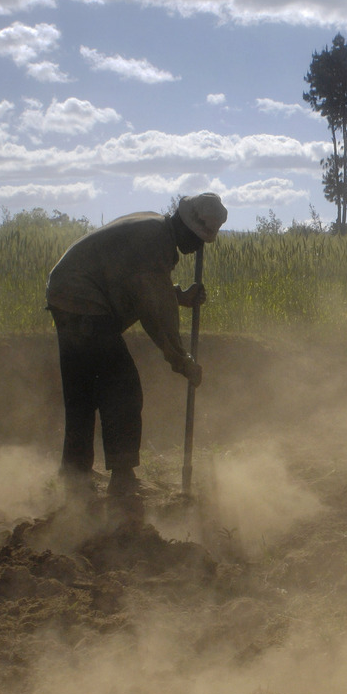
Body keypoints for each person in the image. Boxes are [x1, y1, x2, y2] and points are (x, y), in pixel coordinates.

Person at [45, 192, 227, 500]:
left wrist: (177, 296)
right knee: (122, 388)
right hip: (84, 300)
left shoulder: (152, 226)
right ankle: (123, 477)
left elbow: (131, 278)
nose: (197, 248)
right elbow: (154, 312)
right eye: (197, 240)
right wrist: (182, 360)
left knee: (83, 394)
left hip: (66, 293)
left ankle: (74, 477)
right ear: (185, 227)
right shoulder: (156, 243)